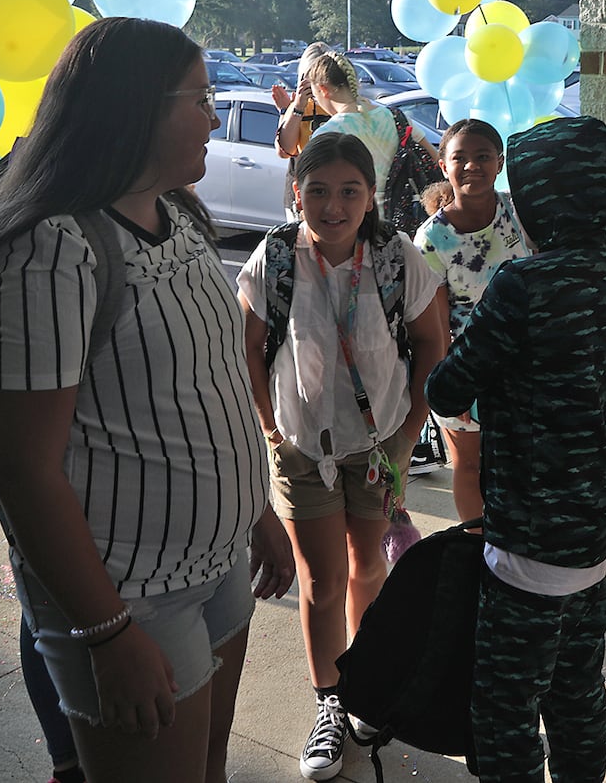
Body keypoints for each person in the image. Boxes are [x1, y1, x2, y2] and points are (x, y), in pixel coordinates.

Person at [0, 17, 295, 783]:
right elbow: (23, 469)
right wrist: (105, 633)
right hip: (132, 598)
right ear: (133, 108)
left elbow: (205, 386)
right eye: (201, 98)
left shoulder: (175, 214)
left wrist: (257, 513)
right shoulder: (48, 251)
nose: (217, 116)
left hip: (217, 566)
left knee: (208, 767)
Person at [426, 115, 606, 783]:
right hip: (594, 524)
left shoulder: (522, 286)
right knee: (578, 687)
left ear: (541, 197)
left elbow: (448, 385)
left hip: (529, 536)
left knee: (507, 704)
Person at [237, 131, 446, 781]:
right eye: (318, 190)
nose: (333, 205)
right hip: (301, 450)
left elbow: (431, 347)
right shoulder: (273, 260)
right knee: (322, 582)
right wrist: (271, 430)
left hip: (380, 444)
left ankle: (365, 686)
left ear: (370, 196)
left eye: (349, 191)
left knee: (368, 571)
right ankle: (329, 703)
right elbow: (248, 351)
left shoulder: (393, 256)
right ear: (296, 192)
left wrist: (409, 433)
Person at [412, 119, 532, 523]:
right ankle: (475, 548)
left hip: (525, 365)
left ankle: (516, 548)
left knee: (518, 464)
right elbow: (435, 326)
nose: (471, 166)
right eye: (459, 158)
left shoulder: (518, 211)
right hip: (468, 368)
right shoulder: (432, 239)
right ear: (443, 166)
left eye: (482, 157)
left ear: (499, 163)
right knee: (469, 466)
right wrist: (456, 386)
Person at [273, 44, 438, 231]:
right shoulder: (393, 116)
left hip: (353, 227)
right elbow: (433, 157)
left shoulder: (329, 132)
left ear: (323, 90)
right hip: (400, 225)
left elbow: (311, 189)